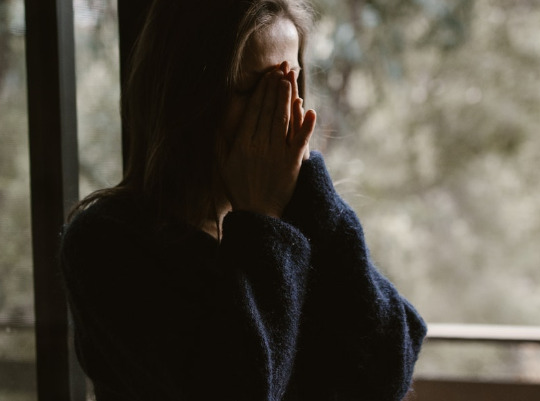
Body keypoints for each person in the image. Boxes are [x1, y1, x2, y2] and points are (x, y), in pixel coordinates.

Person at [59, 0, 427, 399]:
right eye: (253, 89)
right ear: (186, 96)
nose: (280, 110)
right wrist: (261, 219)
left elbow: (390, 367)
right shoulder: (107, 244)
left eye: (290, 83)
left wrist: (310, 192)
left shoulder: (302, 222)